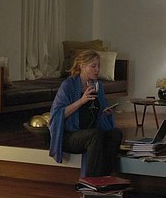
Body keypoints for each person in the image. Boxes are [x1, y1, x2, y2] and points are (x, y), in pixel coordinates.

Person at [48, 49, 123, 177]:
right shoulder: (68, 85)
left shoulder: (98, 86)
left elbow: (98, 113)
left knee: (116, 133)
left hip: (91, 132)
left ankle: (105, 177)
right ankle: (90, 182)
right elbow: (57, 114)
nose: (97, 69)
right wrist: (81, 101)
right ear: (82, 66)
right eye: (93, 66)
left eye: (98, 66)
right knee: (95, 134)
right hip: (70, 135)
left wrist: (105, 113)